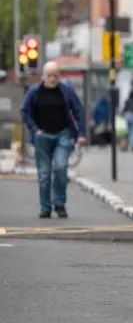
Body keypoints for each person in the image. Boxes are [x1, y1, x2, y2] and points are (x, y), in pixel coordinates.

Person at [20, 61, 86, 218]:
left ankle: (59, 204)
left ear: (59, 76)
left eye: (55, 75)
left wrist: (81, 133)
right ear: (43, 76)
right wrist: (35, 130)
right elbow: (24, 111)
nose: (52, 79)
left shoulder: (66, 91)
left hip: (62, 134)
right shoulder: (34, 91)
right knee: (44, 174)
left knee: (60, 168)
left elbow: (78, 110)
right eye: (49, 75)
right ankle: (45, 207)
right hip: (42, 137)